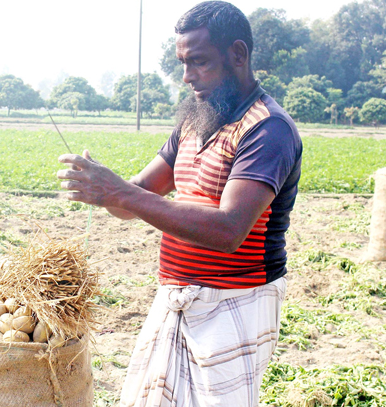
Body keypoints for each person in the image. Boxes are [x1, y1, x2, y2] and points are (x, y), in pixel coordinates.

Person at [57, 1, 302, 406]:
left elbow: (228, 229)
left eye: (199, 62)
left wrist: (122, 193)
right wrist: (103, 189)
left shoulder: (268, 129)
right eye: (182, 63)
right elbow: (136, 196)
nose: (187, 77)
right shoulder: (195, 122)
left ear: (238, 54)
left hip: (235, 303)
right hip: (175, 296)